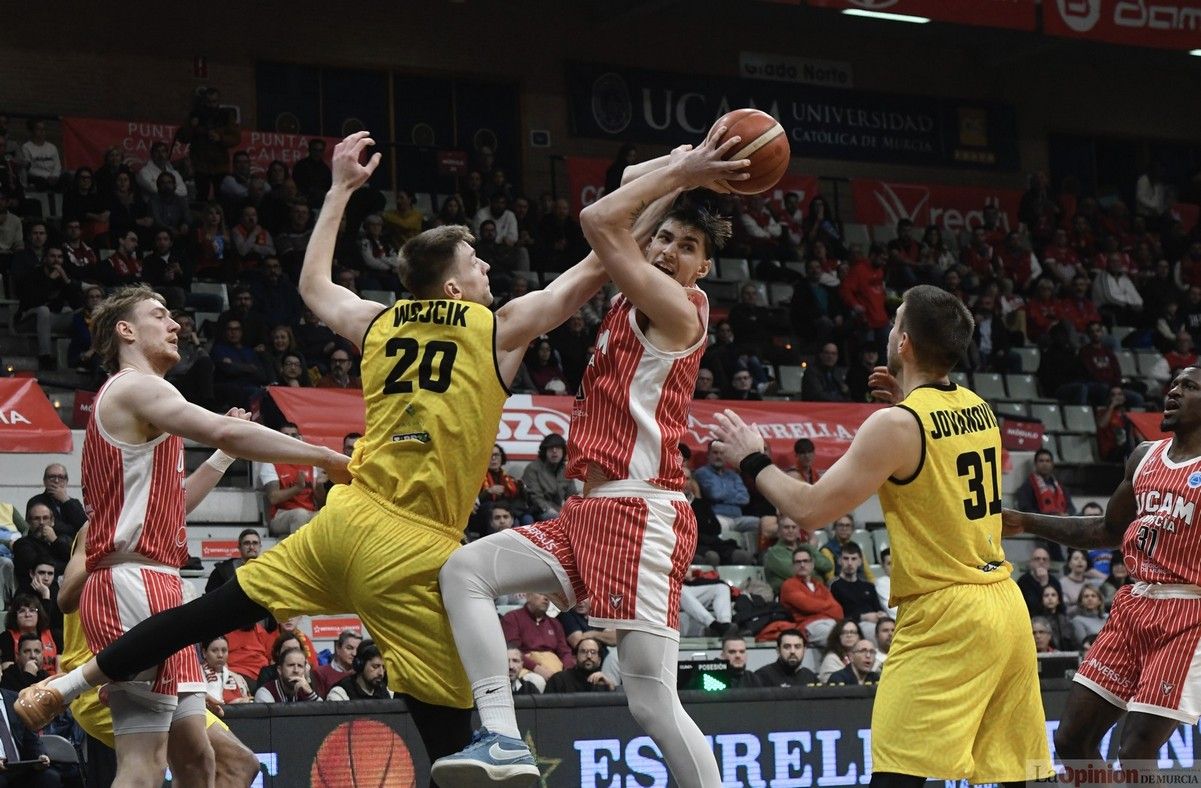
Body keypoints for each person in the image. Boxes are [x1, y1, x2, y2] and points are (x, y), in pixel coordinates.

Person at [22, 129, 646, 779]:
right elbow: (589, 271)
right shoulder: (494, 330)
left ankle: (65, 687)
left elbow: (315, 286)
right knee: (447, 732)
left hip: (342, 524)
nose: (488, 270)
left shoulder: (380, 324)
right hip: (409, 544)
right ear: (454, 291)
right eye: (477, 263)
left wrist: (340, 189)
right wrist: (654, 197)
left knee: (210, 684)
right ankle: (498, 736)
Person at [434, 129, 749, 787]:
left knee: (651, 701)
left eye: (687, 247)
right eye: (663, 237)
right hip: (588, 514)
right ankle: (500, 738)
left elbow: (600, 216)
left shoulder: (676, 307)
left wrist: (685, 175)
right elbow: (633, 177)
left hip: (641, 515)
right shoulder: (637, 280)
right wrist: (687, 167)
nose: (668, 250)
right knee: (465, 571)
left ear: (702, 270)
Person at [13, 285, 350, 787]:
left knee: (200, 759)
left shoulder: (147, 403)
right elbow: (226, 430)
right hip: (130, 582)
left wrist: (221, 459)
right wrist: (327, 457)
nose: (175, 324)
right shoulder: (135, 387)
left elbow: (171, 504)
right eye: (159, 315)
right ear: (125, 331)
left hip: (160, 583)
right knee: (144, 764)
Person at [714, 284, 1050, 785]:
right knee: (1020, 772)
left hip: (946, 613)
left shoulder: (896, 425)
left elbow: (809, 510)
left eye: (895, 324)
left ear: (906, 344)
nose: (889, 332)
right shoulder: (979, 407)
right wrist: (905, 403)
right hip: (1004, 606)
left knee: (897, 775)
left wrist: (752, 457)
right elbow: (935, 449)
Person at [1003, 365, 1201, 770]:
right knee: (1072, 739)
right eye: (1175, 383)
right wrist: (1026, 521)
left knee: (1135, 754)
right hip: (1135, 604)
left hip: (1188, 611)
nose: (1175, 390)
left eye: (1190, 386)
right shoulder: (1144, 457)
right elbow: (1106, 529)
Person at [25, 465, 86, 540]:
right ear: (44, 481)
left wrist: (65, 500)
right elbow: (50, 526)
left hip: (72, 547)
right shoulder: (35, 501)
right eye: (52, 477)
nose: (56, 481)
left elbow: (84, 527)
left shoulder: (74, 502)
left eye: (61, 477)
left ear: (66, 481)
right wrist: (74, 529)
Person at [326, 640, 392, 701]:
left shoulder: (384, 691)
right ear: (360, 665)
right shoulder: (340, 693)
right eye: (375, 667)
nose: (381, 673)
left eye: (383, 668)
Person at [543, 637, 615, 693]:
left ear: (599, 660)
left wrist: (611, 688)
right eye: (583, 651)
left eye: (593, 652)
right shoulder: (559, 680)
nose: (589, 656)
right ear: (575, 658)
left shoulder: (604, 682)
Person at [253, 646, 320, 704]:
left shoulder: (306, 691)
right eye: (291, 665)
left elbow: (324, 715)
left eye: (300, 666)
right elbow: (275, 718)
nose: (296, 670)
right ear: (279, 670)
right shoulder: (265, 693)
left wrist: (310, 693)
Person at [753, 628, 817, 687]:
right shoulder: (763, 676)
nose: (792, 651)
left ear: (804, 650)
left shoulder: (810, 676)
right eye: (787, 647)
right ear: (778, 650)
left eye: (797, 647)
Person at [204, 529, 261, 593]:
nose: (251, 547)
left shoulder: (266, 569)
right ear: (239, 547)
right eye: (247, 543)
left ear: (260, 546)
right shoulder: (221, 571)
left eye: (255, 543)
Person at [311, 629, 361, 699]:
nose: (354, 653)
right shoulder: (320, 672)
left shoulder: (361, 673)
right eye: (349, 648)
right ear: (338, 648)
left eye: (358, 650)